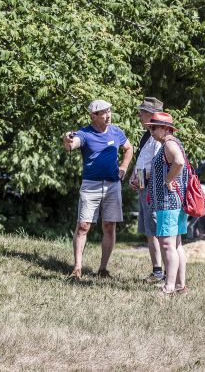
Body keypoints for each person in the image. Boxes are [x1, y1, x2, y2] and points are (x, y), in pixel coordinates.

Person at [62, 99, 133, 280]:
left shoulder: (116, 132)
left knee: (109, 226)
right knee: (83, 226)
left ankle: (103, 269)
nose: (108, 116)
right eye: (103, 113)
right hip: (90, 186)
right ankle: (77, 268)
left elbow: (128, 148)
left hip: (112, 186)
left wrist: (124, 167)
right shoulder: (84, 133)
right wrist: (66, 139)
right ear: (93, 116)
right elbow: (72, 144)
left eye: (109, 111)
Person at [147, 112, 188, 295]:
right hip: (176, 202)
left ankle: (168, 287)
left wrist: (168, 180)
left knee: (167, 244)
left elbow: (178, 162)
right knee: (176, 244)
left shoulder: (169, 144)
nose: (151, 131)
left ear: (165, 128)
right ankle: (179, 285)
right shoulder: (172, 143)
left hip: (168, 202)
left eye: (153, 128)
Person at [129, 97, 164, 283]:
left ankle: (162, 272)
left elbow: (156, 165)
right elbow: (142, 161)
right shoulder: (146, 135)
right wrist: (134, 178)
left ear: (152, 115)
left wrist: (141, 179)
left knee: (155, 229)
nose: (139, 115)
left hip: (153, 189)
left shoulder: (159, 136)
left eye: (143, 112)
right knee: (149, 230)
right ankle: (157, 270)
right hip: (144, 186)